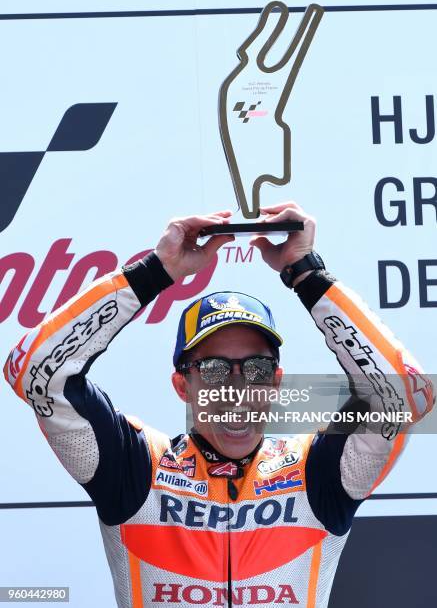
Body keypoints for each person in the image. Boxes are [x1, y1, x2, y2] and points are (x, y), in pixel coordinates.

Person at [4, 202, 434, 608]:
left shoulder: (317, 473)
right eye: (212, 370)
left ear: (277, 383)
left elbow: (406, 392)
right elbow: (35, 372)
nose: (236, 388)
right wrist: (155, 272)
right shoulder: (136, 468)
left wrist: (307, 274)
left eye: (257, 369)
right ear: (181, 385)